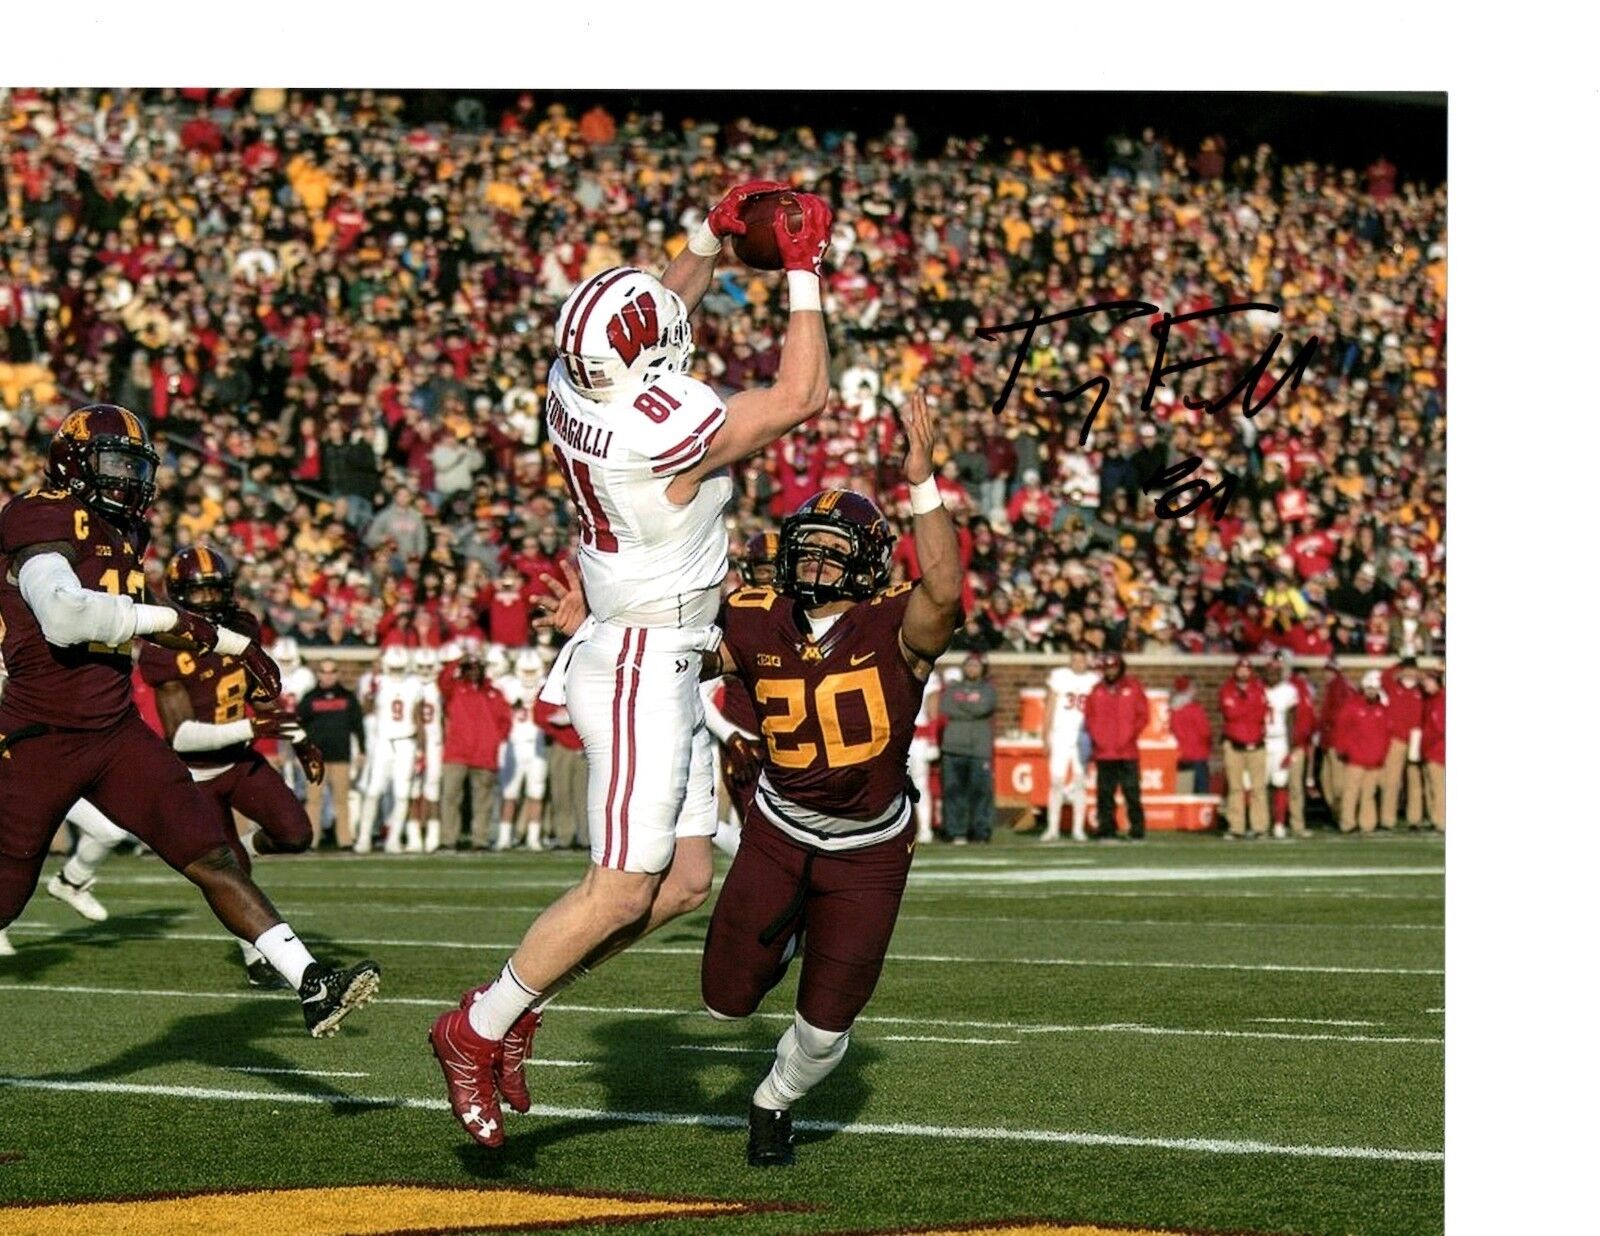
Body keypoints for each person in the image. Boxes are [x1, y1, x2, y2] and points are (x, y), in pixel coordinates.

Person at [429, 180, 835, 1148]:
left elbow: (664, 302)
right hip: (641, 656)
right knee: (620, 885)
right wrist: (804, 272)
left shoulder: (573, 383)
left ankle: (521, 997)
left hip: (661, 637)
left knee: (686, 881)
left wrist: (703, 234)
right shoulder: (661, 428)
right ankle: (474, 1026)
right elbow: (801, 396)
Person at [0, 404, 378, 1032]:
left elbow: (140, 624)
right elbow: (68, 618)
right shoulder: (38, 516)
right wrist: (193, 626)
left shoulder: (122, 531)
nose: (129, 478)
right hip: (40, 735)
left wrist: (237, 645)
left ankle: (311, 981)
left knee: (209, 852)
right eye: (116, 463)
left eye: (134, 465)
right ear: (75, 463)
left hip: (115, 732)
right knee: (7, 895)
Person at [700, 391, 962, 1165]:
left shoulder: (898, 622)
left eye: (832, 548)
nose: (813, 560)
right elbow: (677, 650)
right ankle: (784, 937)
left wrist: (922, 481)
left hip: (869, 847)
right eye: (805, 546)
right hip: (779, 830)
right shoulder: (752, 616)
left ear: (871, 558)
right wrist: (601, 616)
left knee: (822, 1030)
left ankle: (772, 1101)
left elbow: (943, 589)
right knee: (723, 1002)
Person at [140, 545, 327, 986]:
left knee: (296, 834)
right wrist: (252, 727)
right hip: (195, 774)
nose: (209, 602)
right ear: (180, 596)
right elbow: (182, 735)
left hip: (239, 760)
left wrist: (299, 738)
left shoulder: (242, 626)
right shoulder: (165, 647)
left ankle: (243, 842)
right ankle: (257, 958)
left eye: (215, 591)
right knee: (231, 871)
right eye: (199, 594)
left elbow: (260, 694)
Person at [438, 648, 512, 851]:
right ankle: (448, 838)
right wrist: (458, 660)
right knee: (450, 797)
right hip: (457, 752)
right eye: (469, 668)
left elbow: (505, 721)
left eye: (477, 668)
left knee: (483, 801)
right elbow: (442, 679)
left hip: (484, 754)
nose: (474, 672)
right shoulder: (454, 689)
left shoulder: (493, 694)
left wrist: (495, 741)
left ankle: (480, 839)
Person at [355, 645, 422, 854]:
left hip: (406, 741)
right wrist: (370, 695)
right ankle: (364, 837)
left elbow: (417, 717)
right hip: (383, 741)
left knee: (402, 794)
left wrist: (420, 748)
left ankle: (394, 839)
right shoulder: (378, 682)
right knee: (374, 791)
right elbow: (365, 711)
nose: (396, 671)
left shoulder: (414, 684)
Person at [296, 658, 365, 848]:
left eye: (332, 671)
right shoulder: (310, 697)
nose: (328, 675)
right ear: (318, 674)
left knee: (341, 800)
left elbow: (358, 726)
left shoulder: (348, 697)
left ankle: (345, 840)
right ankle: (312, 840)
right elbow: (298, 726)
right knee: (313, 801)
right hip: (315, 758)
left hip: (341, 756)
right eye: (324, 671)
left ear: (337, 673)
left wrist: (362, 750)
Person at [1084, 653, 1150, 840]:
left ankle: (1137, 829)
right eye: (1107, 668)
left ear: (1120, 667)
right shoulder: (1097, 690)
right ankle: (1106, 828)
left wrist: (1130, 736)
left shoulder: (1133, 687)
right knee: (1105, 793)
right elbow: (1090, 717)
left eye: (1114, 667)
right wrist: (1098, 738)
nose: (1111, 671)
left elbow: (1142, 715)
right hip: (1104, 752)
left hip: (1127, 751)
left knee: (1131, 791)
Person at [940, 652, 998, 845]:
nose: (972, 669)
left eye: (976, 665)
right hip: (953, 747)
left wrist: (962, 704)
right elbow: (946, 706)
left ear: (982, 669)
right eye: (969, 665)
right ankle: (956, 831)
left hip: (978, 748)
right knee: (953, 792)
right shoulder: (952, 688)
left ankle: (981, 832)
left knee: (981, 792)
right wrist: (970, 704)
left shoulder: (989, 689)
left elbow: (984, 707)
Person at [1043, 647, 1099, 841]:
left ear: (1087, 661)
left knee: (1079, 783)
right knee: (1056, 781)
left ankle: (1078, 828)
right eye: (1074, 659)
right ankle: (1052, 828)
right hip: (1060, 733)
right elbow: (1049, 705)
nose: (1078, 663)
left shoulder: (1094, 680)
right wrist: (1045, 734)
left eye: (1081, 659)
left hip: (1082, 735)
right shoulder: (1060, 676)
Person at [494, 648, 547, 850]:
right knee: (509, 794)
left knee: (536, 793)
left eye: (533, 671)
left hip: (537, 745)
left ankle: (533, 838)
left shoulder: (546, 685)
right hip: (513, 744)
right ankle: (504, 836)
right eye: (526, 671)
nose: (529, 676)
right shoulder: (507, 685)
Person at [1218, 656, 1270, 839]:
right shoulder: (1227, 689)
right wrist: (1247, 706)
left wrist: (1244, 706)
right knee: (1235, 787)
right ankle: (1236, 827)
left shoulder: (1259, 688)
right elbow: (1229, 713)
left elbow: (1261, 712)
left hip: (1256, 743)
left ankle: (1260, 826)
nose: (1243, 672)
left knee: (1258, 788)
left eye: (1247, 669)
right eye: (1240, 668)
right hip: (1234, 743)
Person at [1334, 671, 1390, 835]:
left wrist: (1382, 755)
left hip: (1374, 760)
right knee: (1351, 792)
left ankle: (1367, 824)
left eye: (1374, 689)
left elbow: (1386, 734)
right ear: (1364, 688)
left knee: (1369, 794)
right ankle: (1347, 823)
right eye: (1369, 688)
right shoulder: (1352, 706)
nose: (1371, 692)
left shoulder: (1382, 710)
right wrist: (1342, 749)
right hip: (1355, 758)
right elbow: (1341, 729)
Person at [1380, 658, 1425, 830]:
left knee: (1414, 781)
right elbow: (1385, 677)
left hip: (1415, 740)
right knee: (1392, 781)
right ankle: (1387, 819)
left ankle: (1414, 819)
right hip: (1396, 740)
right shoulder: (1394, 687)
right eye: (1407, 670)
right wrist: (1399, 664)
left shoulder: (1421, 691)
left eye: (1413, 670)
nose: (1410, 674)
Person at [1262, 657, 1302, 839]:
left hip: (1279, 741)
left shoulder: (1288, 691)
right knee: (1258, 784)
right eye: (1269, 672)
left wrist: (1291, 746)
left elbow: (1291, 720)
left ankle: (1279, 823)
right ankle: (1262, 823)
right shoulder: (1258, 689)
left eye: (1275, 672)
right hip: (1260, 741)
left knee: (1280, 783)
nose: (1272, 675)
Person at [412, 647, 447, 852]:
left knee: (433, 788)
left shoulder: (439, 687)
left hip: (435, 742)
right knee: (413, 789)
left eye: (428, 666)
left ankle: (433, 833)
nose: (425, 670)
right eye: (421, 666)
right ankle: (415, 832)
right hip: (412, 742)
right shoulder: (409, 684)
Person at [1318, 656, 1355, 823]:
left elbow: (1340, 716)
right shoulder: (1331, 687)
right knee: (1326, 778)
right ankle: (1336, 811)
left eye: (1330, 671)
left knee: (1336, 780)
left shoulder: (1338, 688)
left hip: (1335, 739)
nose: (1327, 674)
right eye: (1326, 671)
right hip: (1328, 739)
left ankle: (1341, 814)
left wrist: (1329, 727)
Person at [907, 672, 941, 844]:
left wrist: (933, 740)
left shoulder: (931, 677)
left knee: (920, 784)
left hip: (918, 736)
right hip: (902, 735)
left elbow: (933, 711)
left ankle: (924, 828)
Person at [1169, 675, 1213, 794]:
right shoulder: (1195, 709)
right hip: (1198, 756)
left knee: (1183, 793)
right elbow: (1206, 732)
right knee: (1201, 794)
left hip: (1180, 757)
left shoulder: (1172, 711)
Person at [1420, 665, 1444, 831]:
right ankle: (1435, 817)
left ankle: (1442, 820)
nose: (1426, 684)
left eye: (1429, 681)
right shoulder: (1430, 700)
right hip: (1430, 750)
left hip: (1437, 750)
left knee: (1438, 787)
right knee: (1430, 787)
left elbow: (1439, 728)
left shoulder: (1441, 701)